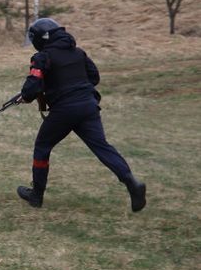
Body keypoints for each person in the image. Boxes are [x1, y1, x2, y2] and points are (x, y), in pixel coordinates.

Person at [16, 18, 146, 212]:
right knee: (102, 147)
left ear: (40, 39)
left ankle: (36, 195)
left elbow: (30, 89)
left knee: (42, 146)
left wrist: (33, 95)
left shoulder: (42, 57)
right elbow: (94, 77)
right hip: (88, 106)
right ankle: (131, 182)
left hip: (65, 110)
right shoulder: (78, 53)